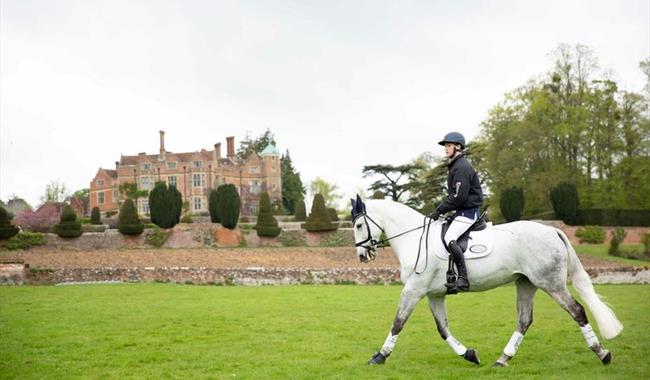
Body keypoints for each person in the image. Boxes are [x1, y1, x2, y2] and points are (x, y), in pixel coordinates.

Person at [429, 132, 483, 293]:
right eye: (445, 146)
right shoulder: (456, 166)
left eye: (448, 145)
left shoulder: (461, 167)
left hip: (469, 212)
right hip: (462, 211)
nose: (445, 149)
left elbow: (459, 196)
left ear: (458, 147)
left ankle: (463, 278)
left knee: (449, 237)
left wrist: (439, 210)